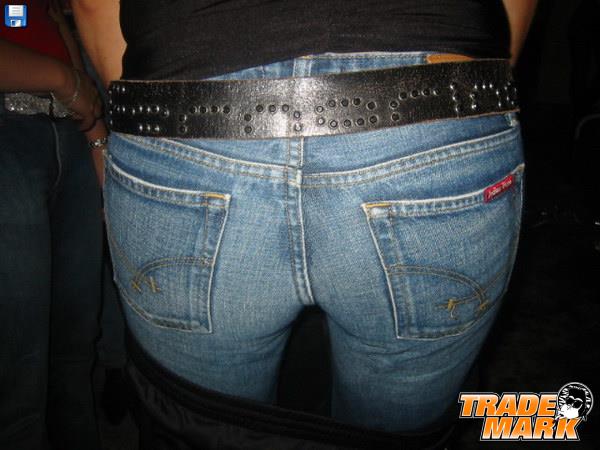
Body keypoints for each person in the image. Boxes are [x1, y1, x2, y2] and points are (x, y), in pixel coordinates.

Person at [73, 0, 537, 448]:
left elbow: (95, 8)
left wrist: (153, 120)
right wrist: (465, 110)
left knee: (200, 427)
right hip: (433, 117)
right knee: (399, 435)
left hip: (184, 118)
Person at [0, 1, 106, 448]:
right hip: (9, 128)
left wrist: (95, 138)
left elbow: (55, 22)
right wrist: (66, 81)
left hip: (70, 133)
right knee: (18, 363)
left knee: (75, 349)